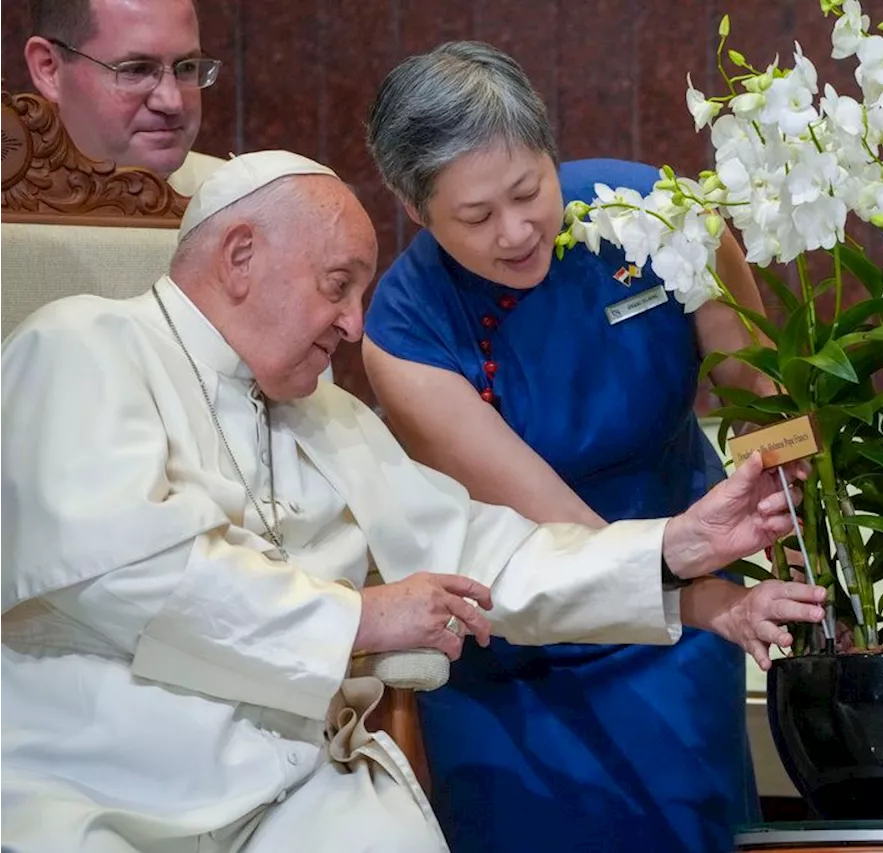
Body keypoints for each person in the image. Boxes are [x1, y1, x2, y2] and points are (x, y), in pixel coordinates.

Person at [0, 150, 828, 853]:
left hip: (294, 791)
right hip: (100, 779)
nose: (354, 325)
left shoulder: (326, 415)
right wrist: (360, 620)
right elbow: (126, 572)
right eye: (336, 285)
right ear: (240, 255)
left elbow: (478, 549)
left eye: (360, 292)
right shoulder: (80, 344)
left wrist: (671, 549)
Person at [362, 42, 785, 853]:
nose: (518, 231)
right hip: (520, 630)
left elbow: (755, 385)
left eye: (530, 190)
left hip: (681, 626)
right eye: (476, 217)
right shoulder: (406, 332)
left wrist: (792, 511)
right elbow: (556, 531)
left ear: (554, 151)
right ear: (416, 212)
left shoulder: (657, 213)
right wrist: (707, 601)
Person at [23, 0, 224, 195]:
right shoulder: (10, 215)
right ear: (49, 69)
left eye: (187, 66)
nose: (172, 102)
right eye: (137, 69)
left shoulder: (236, 196)